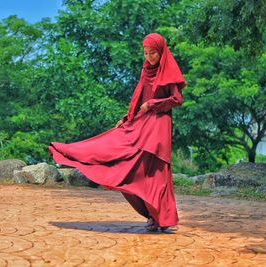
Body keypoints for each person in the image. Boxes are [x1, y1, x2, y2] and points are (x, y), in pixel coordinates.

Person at [49, 33, 186, 232]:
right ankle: (69, 151)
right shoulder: (146, 69)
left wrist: (153, 104)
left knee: (154, 171)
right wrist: (127, 117)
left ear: (161, 51)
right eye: (146, 53)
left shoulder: (168, 71)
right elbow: (138, 97)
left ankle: (160, 217)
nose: (149, 57)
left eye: (153, 53)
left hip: (157, 126)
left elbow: (177, 99)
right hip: (139, 121)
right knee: (122, 160)